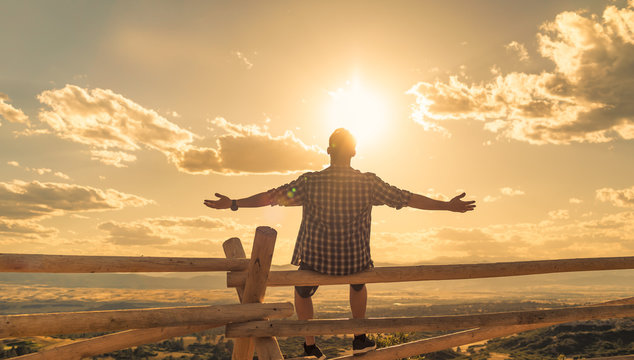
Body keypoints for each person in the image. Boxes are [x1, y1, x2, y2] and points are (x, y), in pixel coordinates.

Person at [204, 128, 475, 359]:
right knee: (359, 281)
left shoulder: (311, 182)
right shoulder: (368, 183)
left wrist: (235, 204)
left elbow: (272, 196)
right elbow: (406, 198)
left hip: (315, 259)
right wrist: (447, 207)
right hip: (353, 260)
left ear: (328, 151)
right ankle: (359, 336)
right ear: (354, 152)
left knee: (301, 289)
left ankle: (310, 346)